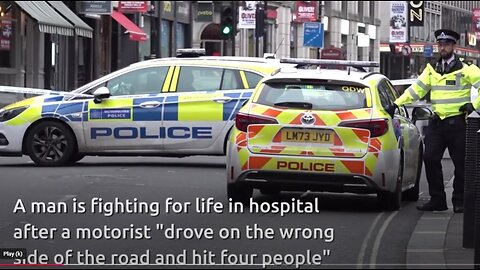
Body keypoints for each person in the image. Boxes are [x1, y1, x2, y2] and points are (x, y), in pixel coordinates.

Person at [386, 29, 480, 213]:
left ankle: (459, 201)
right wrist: (396, 104)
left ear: (453, 46)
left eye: (446, 44)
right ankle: (438, 200)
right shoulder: (431, 70)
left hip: (458, 123)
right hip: (437, 123)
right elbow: (415, 91)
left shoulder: (467, 69)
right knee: (429, 158)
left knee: (461, 163)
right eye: (440, 44)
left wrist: (474, 105)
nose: (442, 47)